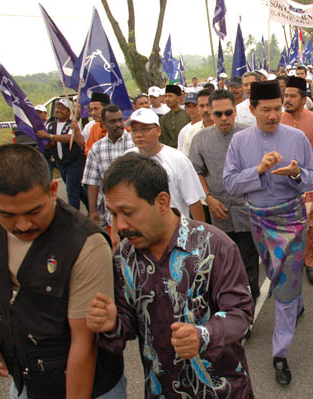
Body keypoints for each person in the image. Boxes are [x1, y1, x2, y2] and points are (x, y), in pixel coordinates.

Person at [86, 153, 254, 398]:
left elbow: (240, 313)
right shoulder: (124, 256)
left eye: (128, 212)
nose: (119, 225)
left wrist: (201, 334)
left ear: (162, 202)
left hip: (222, 391)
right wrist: (111, 322)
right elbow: (128, 324)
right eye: (112, 214)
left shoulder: (215, 246)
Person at [0, 144, 125, 398]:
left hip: (83, 385)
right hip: (25, 377)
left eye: (33, 211)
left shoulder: (85, 243)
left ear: (52, 190)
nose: (23, 225)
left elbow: (84, 344)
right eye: (7, 215)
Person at [223, 80, 313, 386]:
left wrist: (296, 173)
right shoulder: (240, 142)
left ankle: (280, 353)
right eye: (265, 109)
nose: (273, 115)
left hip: (291, 217)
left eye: (277, 108)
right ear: (252, 110)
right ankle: (294, 299)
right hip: (258, 219)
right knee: (277, 273)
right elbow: (230, 184)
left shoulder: (297, 137)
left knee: (286, 278)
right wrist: (259, 171)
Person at [188, 89, 260, 303]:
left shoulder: (251, 135)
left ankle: (250, 303)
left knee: (248, 261)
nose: (224, 118)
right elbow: (196, 172)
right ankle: (230, 301)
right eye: (218, 114)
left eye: (228, 112)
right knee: (223, 262)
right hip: (219, 212)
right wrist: (208, 198)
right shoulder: (200, 139)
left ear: (236, 111)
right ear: (209, 113)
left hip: (246, 210)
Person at [281, 76, 313, 286]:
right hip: (284, 184)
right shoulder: (278, 121)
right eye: (286, 95)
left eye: (293, 96)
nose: (288, 100)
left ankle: (311, 263)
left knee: (311, 227)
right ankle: (291, 262)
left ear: (303, 99)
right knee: (287, 227)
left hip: (310, 182)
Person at [126, 108, 206, 224]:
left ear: (158, 131)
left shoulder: (178, 159)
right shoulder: (127, 159)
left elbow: (194, 201)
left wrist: (200, 233)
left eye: (144, 129)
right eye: (134, 130)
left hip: (175, 231)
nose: (138, 135)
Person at [82, 104, 135, 229]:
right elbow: (92, 182)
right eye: (112, 121)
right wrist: (93, 210)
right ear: (104, 124)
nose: (118, 124)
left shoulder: (135, 143)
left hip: (135, 211)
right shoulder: (97, 149)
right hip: (111, 214)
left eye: (120, 120)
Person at [36, 98, 88, 210]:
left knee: (71, 191)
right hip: (61, 163)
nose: (59, 110)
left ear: (69, 112)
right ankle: (91, 207)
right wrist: (45, 142)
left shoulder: (72, 125)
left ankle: (73, 220)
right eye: (58, 107)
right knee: (76, 188)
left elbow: (69, 138)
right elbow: (50, 143)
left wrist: (49, 136)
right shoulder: (50, 125)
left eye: (63, 108)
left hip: (75, 162)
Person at [181, 90, 214, 156]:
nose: (205, 110)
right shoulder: (190, 133)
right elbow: (187, 158)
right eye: (202, 106)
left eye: (208, 105)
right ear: (198, 108)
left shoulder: (224, 128)